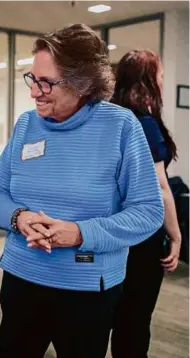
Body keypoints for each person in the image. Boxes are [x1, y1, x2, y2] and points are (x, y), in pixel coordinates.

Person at [0, 24, 164, 358]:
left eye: (46, 83)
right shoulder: (26, 124)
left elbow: (148, 212)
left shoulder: (122, 127)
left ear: (83, 83)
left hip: (86, 292)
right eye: (32, 78)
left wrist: (80, 233)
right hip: (22, 278)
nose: (34, 92)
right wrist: (18, 217)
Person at [110, 49, 182, 358]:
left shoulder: (110, 119)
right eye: (161, 75)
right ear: (148, 81)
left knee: (117, 315)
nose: (164, 81)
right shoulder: (144, 124)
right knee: (136, 320)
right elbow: (161, 187)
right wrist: (177, 235)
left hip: (114, 231)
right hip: (142, 235)